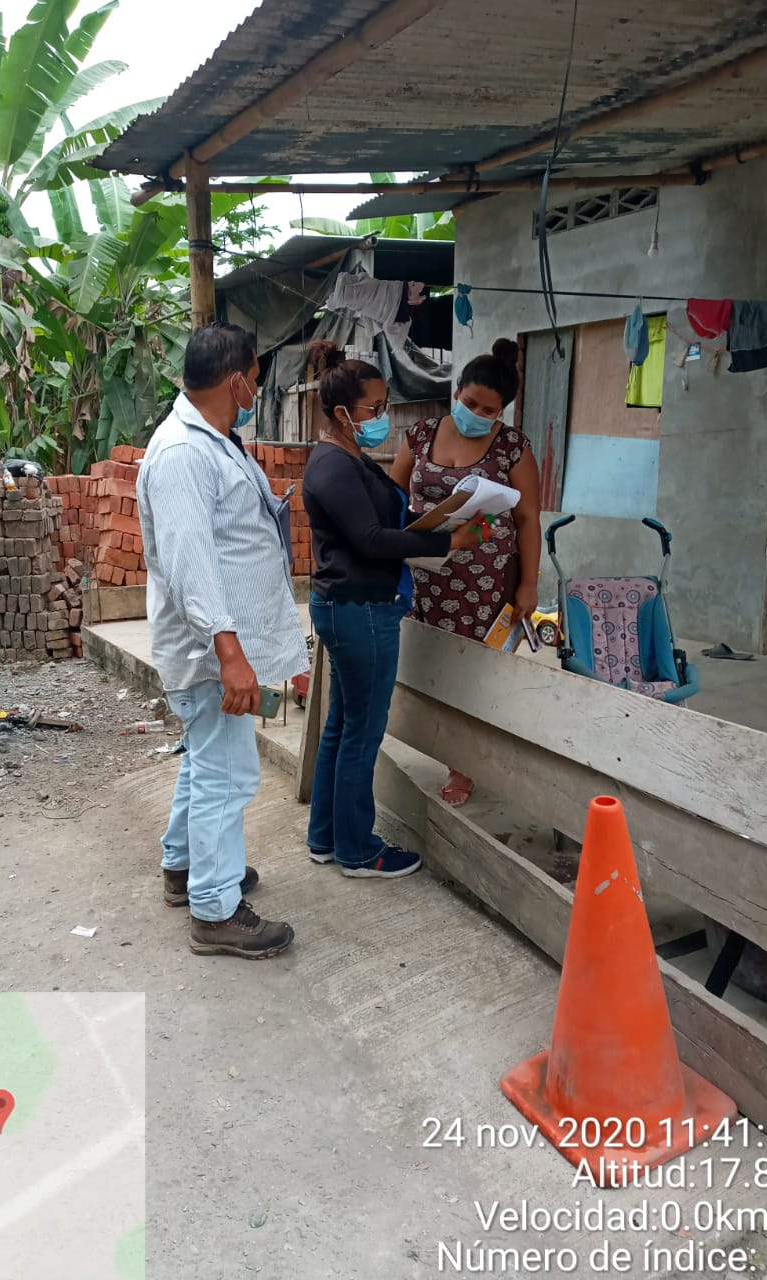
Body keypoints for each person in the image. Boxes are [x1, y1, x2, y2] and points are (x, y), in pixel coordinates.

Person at [137, 322, 308, 959]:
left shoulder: (213, 441)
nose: (256, 392)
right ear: (236, 380)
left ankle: (185, 869)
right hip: (210, 654)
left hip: (218, 648)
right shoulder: (184, 453)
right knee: (226, 777)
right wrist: (230, 655)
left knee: (204, 764)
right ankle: (215, 910)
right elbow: (190, 565)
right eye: (255, 381)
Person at [302, 341, 489, 877]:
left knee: (343, 725)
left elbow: (381, 522)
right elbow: (370, 539)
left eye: (385, 406)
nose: (382, 416)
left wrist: (445, 520)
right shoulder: (334, 466)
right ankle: (358, 851)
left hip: (353, 605)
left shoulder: (347, 458)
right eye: (375, 408)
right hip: (360, 608)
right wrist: (448, 543)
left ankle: (327, 837)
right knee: (361, 733)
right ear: (343, 412)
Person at [391, 339, 541, 807]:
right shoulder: (420, 435)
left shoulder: (512, 447)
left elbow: (528, 518)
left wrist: (529, 584)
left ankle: (463, 762)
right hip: (422, 572)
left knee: (473, 671)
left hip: (482, 582)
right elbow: (393, 496)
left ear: (503, 411)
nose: (475, 413)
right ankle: (424, 734)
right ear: (456, 392)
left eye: (488, 410)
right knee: (422, 659)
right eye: (470, 402)